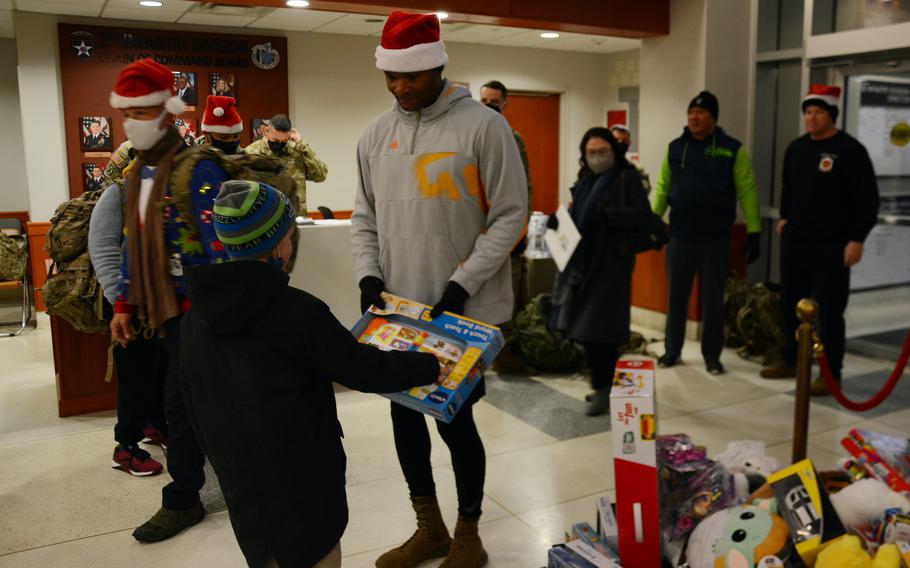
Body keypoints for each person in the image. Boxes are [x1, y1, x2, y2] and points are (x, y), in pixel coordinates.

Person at [180, 180, 440, 568]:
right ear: (280, 246)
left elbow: (191, 404)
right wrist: (429, 364)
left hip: (242, 482)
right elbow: (364, 370)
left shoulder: (192, 320)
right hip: (303, 482)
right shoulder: (298, 312)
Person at [351, 12, 527, 568]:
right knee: (404, 418)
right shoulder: (375, 135)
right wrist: (367, 273)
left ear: (438, 67)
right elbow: (364, 217)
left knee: (458, 420)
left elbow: (510, 216)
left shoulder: (483, 127)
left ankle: (468, 531)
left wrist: (462, 282)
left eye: (412, 78)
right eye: (391, 78)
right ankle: (428, 528)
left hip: (462, 313)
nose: (401, 88)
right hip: (399, 312)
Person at [107, 57, 232, 543]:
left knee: (181, 408)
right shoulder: (139, 173)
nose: (133, 122)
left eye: (143, 112)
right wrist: (123, 305)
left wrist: (212, 317)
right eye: (128, 113)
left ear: (167, 112)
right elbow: (131, 244)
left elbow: (217, 248)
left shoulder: (196, 169)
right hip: (161, 313)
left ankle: (183, 499)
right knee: (184, 406)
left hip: (198, 313)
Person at [760, 84, 879, 396]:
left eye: (818, 112)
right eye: (807, 112)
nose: (811, 118)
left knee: (829, 312)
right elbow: (787, 187)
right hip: (797, 242)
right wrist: (784, 217)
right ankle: (790, 360)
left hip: (833, 246)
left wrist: (857, 239)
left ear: (832, 115)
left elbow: (867, 200)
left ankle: (829, 373)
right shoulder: (797, 148)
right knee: (790, 305)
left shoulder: (852, 151)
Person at [652, 91, 762, 375]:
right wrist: (653, 221)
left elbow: (747, 190)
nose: (694, 117)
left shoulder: (731, 149)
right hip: (679, 236)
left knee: (713, 300)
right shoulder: (675, 148)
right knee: (676, 297)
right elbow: (663, 186)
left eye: (700, 113)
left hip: (716, 239)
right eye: (691, 113)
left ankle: (712, 355)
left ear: (713, 118)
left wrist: (754, 229)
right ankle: (671, 350)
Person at [547, 127, 652, 416]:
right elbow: (576, 217)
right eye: (590, 153)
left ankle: (604, 391)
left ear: (614, 152)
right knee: (590, 331)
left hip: (611, 265)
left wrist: (607, 216)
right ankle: (602, 386)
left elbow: (643, 214)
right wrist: (556, 222)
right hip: (583, 264)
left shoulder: (626, 178)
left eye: (602, 152)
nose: (596, 158)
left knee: (600, 331)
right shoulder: (585, 180)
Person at [88, 167, 168, 478]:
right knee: (136, 376)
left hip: (160, 304)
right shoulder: (117, 194)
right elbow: (104, 249)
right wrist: (119, 303)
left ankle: (157, 426)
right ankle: (125, 448)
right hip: (127, 304)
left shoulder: (163, 194)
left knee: (161, 368)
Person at [479, 80, 533, 372]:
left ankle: (504, 355)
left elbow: (524, 187)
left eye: (493, 102)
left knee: (506, 296)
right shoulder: (472, 134)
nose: (487, 106)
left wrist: (520, 233)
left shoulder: (514, 138)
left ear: (505, 103)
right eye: (483, 100)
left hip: (506, 232)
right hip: (476, 235)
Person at [244, 113, 327, 216]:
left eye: (284, 141)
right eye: (275, 140)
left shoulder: (297, 151)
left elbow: (321, 176)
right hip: (264, 219)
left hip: (295, 218)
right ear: (266, 131)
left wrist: (301, 144)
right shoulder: (252, 152)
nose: (279, 144)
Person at [610, 124, 651, 194]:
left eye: (624, 140)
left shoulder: (636, 168)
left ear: (629, 143)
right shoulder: (600, 165)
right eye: (616, 140)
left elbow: (645, 189)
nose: (620, 143)